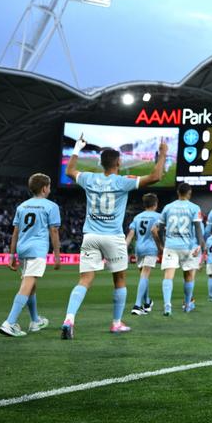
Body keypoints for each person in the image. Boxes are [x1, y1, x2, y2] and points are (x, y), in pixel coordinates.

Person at [62, 138, 167, 339]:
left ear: (101, 163)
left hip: (90, 236)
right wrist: (162, 153)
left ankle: (69, 319)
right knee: (119, 280)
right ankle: (116, 323)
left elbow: (69, 171)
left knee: (84, 280)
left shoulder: (88, 178)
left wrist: (77, 149)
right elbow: (155, 176)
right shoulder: (122, 182)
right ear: (118, 163)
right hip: (113, 237)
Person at [0, 173, 61, 336]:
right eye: (49, 186)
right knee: (28, 283)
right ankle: (10, 322)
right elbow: (54, 231)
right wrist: (57, 255)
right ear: (44, 188)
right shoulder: (51, 206)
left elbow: (15, 232)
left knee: (31, 285)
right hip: (37, 248)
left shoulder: (22, 206)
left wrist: (11, 256)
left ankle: (35, 321)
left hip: (22, 248)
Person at [155, 183, 206, 315]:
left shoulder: (168, 207)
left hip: (171, 245)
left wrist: (163, 242)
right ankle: (188, 305)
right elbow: (198, 228)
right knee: (189, 276)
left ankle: (167, 306)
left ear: (178, 192)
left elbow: (160, 228)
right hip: (188, 247)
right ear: (189, 193)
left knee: (168, 276)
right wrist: (200, 245)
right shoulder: (194, 207)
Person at [127, 193, 163, 315]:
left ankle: (147, 302)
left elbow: (131, 234)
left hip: (139, 249)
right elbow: (157, 233)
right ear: (155, 204)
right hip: (151, 248)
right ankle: (137, 305)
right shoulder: (159, 216)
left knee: (143, 276)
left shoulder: (137, 217)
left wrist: (124, 247)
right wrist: (161, 246)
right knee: (145, 275)